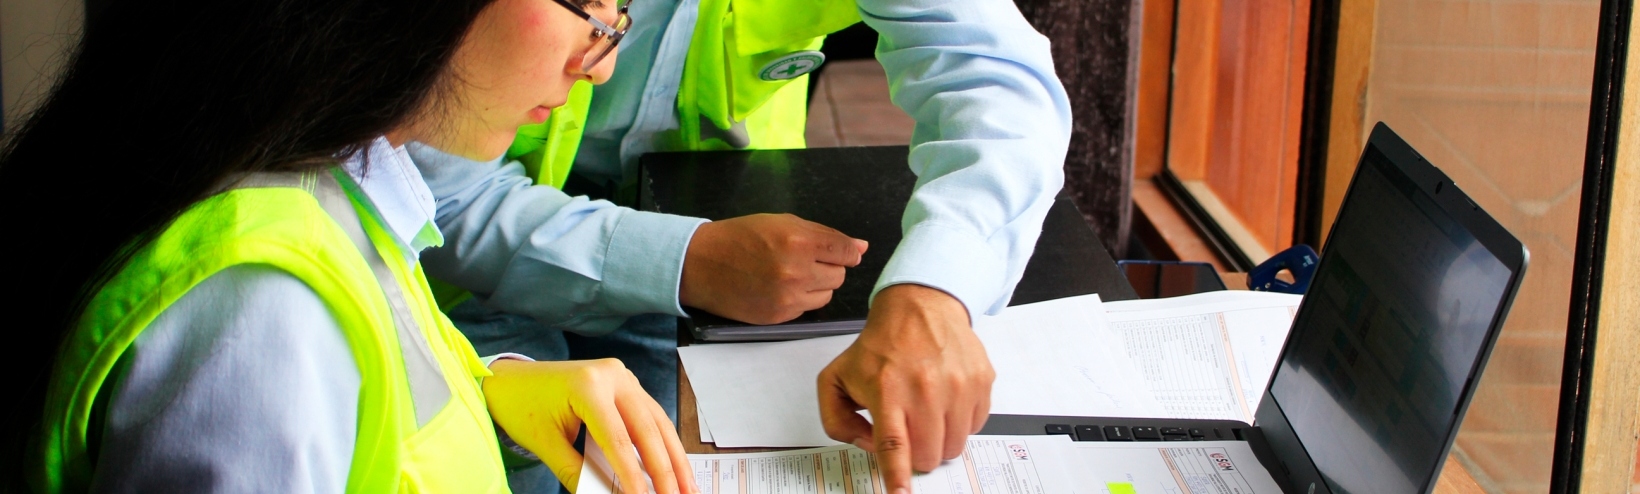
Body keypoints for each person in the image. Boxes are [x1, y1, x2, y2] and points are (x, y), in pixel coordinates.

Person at [1, 0, 697, 492]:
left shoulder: (335, 171)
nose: (602, 64)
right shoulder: (266, 306)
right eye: (589, 3)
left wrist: (494, 392)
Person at [409, 0, 1071, 492]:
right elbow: (434, 187)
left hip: (733, 267)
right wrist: (682, 259)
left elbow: (996, 80)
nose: (603, 65)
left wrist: (937, 288)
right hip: (450, 275)